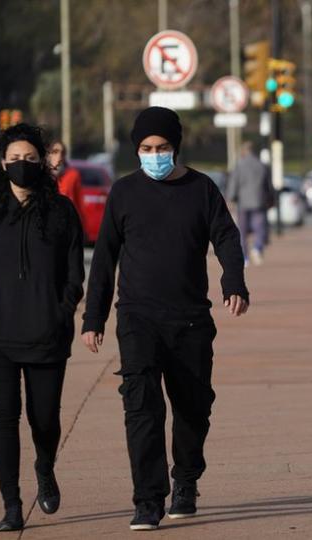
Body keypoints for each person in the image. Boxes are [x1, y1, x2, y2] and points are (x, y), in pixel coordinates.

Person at [81, 107, 250, 531]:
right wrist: (93, 317)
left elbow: (227, 237)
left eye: (162, 148)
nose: (154, 154)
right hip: (137, 318)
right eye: (146, 148)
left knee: (194, 409)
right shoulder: (123, 192)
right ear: (136, 150)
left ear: (176, 148)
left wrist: (234, 282)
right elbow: (104, 258)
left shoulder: (202, 189)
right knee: (141, 409)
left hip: (190, 320)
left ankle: (186, 480)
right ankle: (147, 500)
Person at [0, 124, 85, 532]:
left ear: (43, 162)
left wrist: (61, 312)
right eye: (14, 159)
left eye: (30, 158)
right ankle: (10, 503)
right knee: (3, 419)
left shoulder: (61, 212)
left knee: (44, 419)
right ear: (2, 163)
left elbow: (74, 275)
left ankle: (45, 467)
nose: (21, 165)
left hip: (46, 335)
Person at [225, 141, 270, 265]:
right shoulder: (261, 165)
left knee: (242, 231)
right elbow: (268, 185)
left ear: (244, 151)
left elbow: (234, 183)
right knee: (259, 227)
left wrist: (230, 199)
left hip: (243, 202)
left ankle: (245, 257)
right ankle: (257, 247)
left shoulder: (239, 165)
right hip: (259, 200)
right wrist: (270, 199)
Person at [48, 140, 83, 214]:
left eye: (62, 152)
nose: (59, 156)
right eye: (55, 152)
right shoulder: (42, 176)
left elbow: (79, 204)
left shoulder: (73, 175)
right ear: (48, 155)